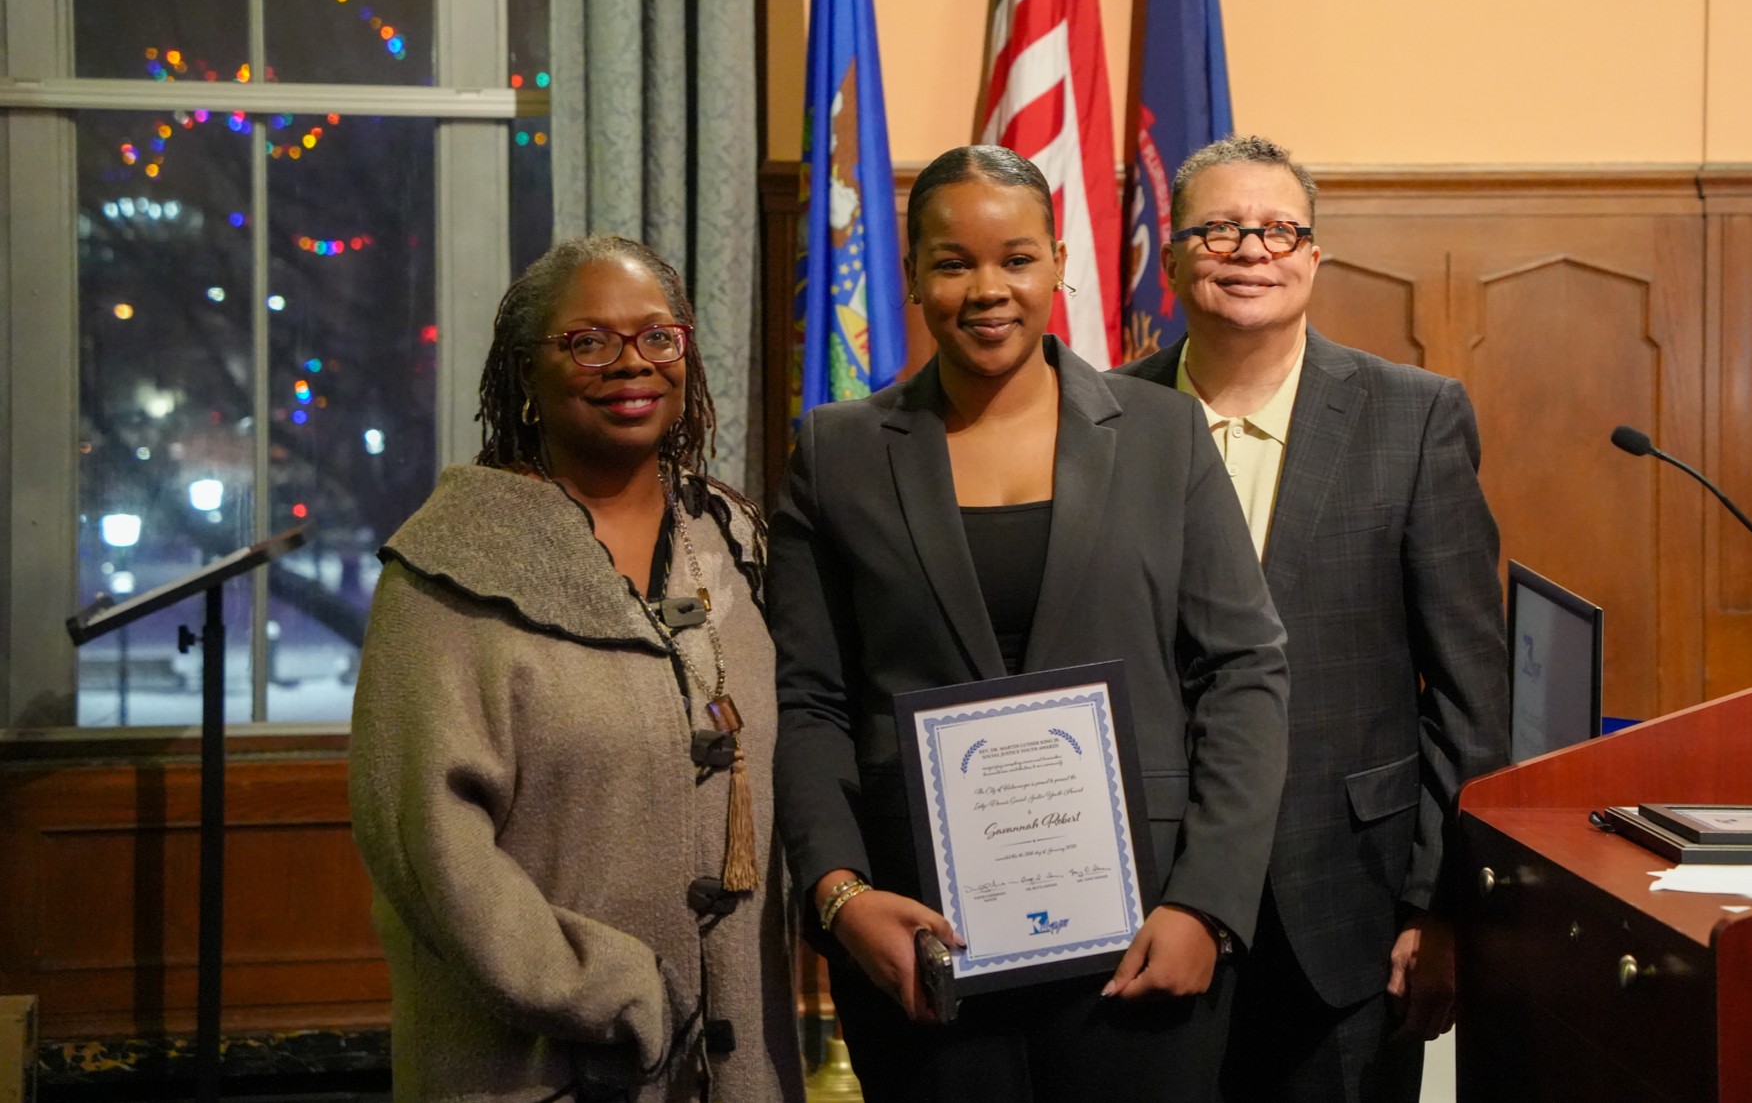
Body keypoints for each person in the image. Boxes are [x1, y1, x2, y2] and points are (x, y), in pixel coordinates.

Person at [770, 145, 1291, 1103]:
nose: (985, 290)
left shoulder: (1164, 434)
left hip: (1143, 935)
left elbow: (1245, 670)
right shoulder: (836, 454)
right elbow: (806, 698)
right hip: (924, 938)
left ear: (1059, 261)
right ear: (915, 276)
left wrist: (1207, 904)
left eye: (1015, 258)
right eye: (952, 262)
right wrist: (841, 898)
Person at [349, 235, 804, 1103]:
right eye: (588, 341)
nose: (630, 364)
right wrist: (604, 988)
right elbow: (424, 844)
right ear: (526, 372)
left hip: (739, 1070)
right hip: (538, 1066)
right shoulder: (448, 570)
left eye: (656, 337)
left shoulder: (735, 543)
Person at [1119, 135, 1510, 1102]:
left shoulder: (1413, 418)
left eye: (1278, 229)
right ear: (1170, 258)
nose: (1251, 248)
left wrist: (1442, 904)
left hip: (1347, 914)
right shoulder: (1102, 421)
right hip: (1138, 903)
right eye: (1219, 228)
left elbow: (1468, 691)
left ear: (1311, 258)